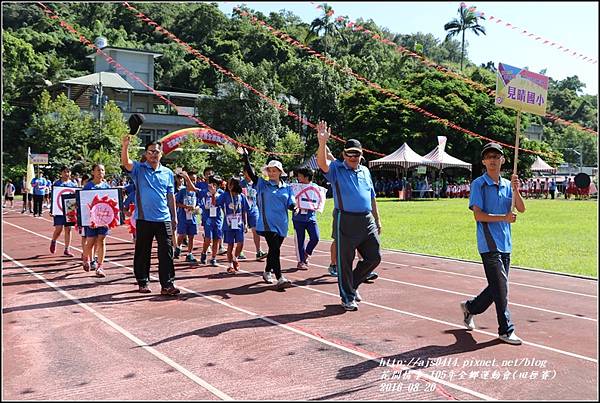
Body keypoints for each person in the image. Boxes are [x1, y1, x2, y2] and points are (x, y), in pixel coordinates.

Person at [461, 142, 526, 345]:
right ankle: (506, 329)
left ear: (503, 160)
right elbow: (478, 215)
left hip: (505, 242)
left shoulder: (508, 184)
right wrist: (503, 218)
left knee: (498, 286)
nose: (492, 160)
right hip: (488, 244)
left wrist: (517, 190)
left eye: (496, 157)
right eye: (488, 157)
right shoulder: (479, 184)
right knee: (501, 288)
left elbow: (521, 209)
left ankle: (470, 307)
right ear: (483, 161)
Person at [316, 120, 382, 311]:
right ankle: (347, 296)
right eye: (349, 153)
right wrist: (322, 142)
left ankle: (351, 284)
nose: (353, 157)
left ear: (362, 155)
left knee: (374, 257)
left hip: (366, 220)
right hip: (345, 219)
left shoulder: (366, 171)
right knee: (345, 260)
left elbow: (372, 197)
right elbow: (322, 163)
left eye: (357, 153)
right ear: (344, 154)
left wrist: (377, 220)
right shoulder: (337, 169)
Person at [121, 136, 180, 295]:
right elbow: (126, 163)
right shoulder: (139, 169)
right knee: (143, 252)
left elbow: (170, 196)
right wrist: (125, 146)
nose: (154, 154)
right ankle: (143, 282)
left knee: (166, 252)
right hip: (144, 219)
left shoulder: (167, 173)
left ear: (161, 154)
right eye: (151, 152)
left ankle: (167, 285)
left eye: (157, 152)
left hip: (164, 219)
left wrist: (174, 217)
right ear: (146, 154)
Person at [240, 148, 295, 289]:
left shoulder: (287, 188)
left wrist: (295, 207)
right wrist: (246, 157)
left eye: (274, 170)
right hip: (267, 224)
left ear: (279, 172)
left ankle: (266, 271)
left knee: (273, 251)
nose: (271, 173)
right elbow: (251, 173)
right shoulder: (262, 184)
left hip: (281, 224)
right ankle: (280, 277)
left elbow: (291, 203)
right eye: (269, 170)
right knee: (275, 250)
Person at [81, 164, 111, 277]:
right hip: (91, 220)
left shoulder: (107, 186)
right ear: (93, 172)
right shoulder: (88, 186)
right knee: (91, 241)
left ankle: (100, 266)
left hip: (103, 218)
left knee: (102, 240)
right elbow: (83, 203)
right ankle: (86, 258)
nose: (100, 172)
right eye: (98, 170)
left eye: (102, 170)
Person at [217, 177, 250, 273]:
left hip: (239, 223)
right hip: (228, 224)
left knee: (241, 243)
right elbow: (217, 203)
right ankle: (230, 265)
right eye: (228, 184)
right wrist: (214, 194)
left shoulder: (241, 196)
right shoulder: (225, 195)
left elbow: (245, 211)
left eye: (231, 184)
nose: (229, 186)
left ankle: (235, 258)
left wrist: (246, 223)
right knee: (230, 245)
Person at [292, 168, 320, 270]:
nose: (298, 178)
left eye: (300, 176)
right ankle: (301, 261)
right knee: (300, 240)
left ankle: (306, 253)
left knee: (315, 237)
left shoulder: (315, 188)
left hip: (311, 217)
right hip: (298, 218)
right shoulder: (295, 187)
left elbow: (319, 199)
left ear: (306, 177)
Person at [49, 166, 78, 257]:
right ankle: (54, 240)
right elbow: (53, 198)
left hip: (69, 210)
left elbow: (75, 198)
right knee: (58, 229)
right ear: (61, 173)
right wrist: (52, 210)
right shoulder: (57, 184)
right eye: (65, 172)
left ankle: (67, 249)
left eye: (68, 172)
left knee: (68, 229)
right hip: (58, 210)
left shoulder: (73, 185)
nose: (67, 174)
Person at [174, 171, 202, 263]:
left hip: (193, 217)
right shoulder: (182, 191)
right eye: (191, 180)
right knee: (182, 234)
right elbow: (176, 203)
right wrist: (186, 207)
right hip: (183, 216)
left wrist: (196, 208)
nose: (193, 182)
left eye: (194, 180)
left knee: (191, 236)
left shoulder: (196, 192)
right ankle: (178, 248)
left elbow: (199, 203)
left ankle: (189, 253)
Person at [240, 170, 267, 260]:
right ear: (244, 173)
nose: (248, 173)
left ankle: (258, 251)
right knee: (242, 230)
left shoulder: (255, 184)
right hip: (243, 210)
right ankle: (240, 251)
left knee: (256, 230)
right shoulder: (241, 184)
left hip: (253, 209)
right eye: (247, 172)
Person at [199, 175, 225, 266]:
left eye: (215, 184)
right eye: (211, 183)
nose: (212, 186)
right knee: (208, 238)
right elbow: (194, 189)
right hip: (208, 218)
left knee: (216, 239)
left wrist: (214, 194)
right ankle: (204, 252)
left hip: (217, 218)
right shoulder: (204, 192)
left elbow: (217, 204)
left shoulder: (221, 193)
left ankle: (213, 258)